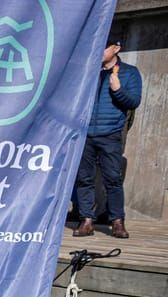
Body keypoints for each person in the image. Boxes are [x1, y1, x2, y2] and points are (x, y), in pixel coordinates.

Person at [73, 36, 141, 239]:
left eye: (104, 46)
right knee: (84, 179)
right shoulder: (88, 72)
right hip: (85, 134)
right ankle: (86, 221)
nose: (100, 50)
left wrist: (117, 89)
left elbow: (134, 101)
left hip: (110, 134)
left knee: (113, 179)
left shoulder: (129, 73)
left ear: (116, 48)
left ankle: (117, 222)